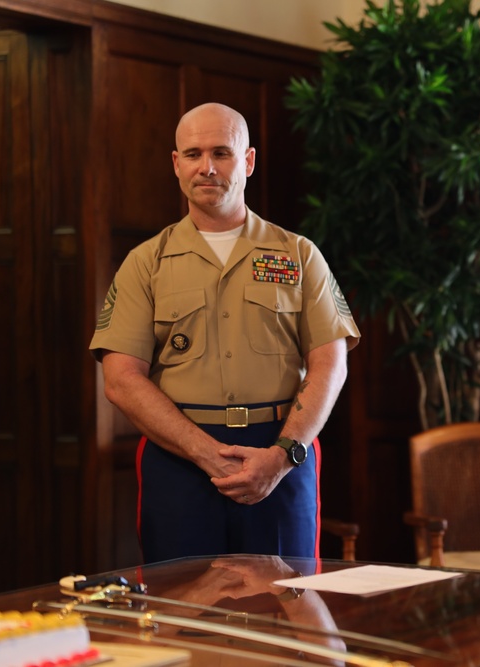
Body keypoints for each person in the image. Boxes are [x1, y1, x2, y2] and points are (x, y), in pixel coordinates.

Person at [90, 102, 360, 564]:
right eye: (192, 154)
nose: (206, 167)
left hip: (281, 451)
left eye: (222, 152)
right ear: (176, 164)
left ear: (248, 161)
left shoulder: (298, 254)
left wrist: (280, 456)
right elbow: (120, 379)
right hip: (178, 459)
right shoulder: (144, 262)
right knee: (181, 611)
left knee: (286, 608)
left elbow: (330, 365)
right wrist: (203, 452)